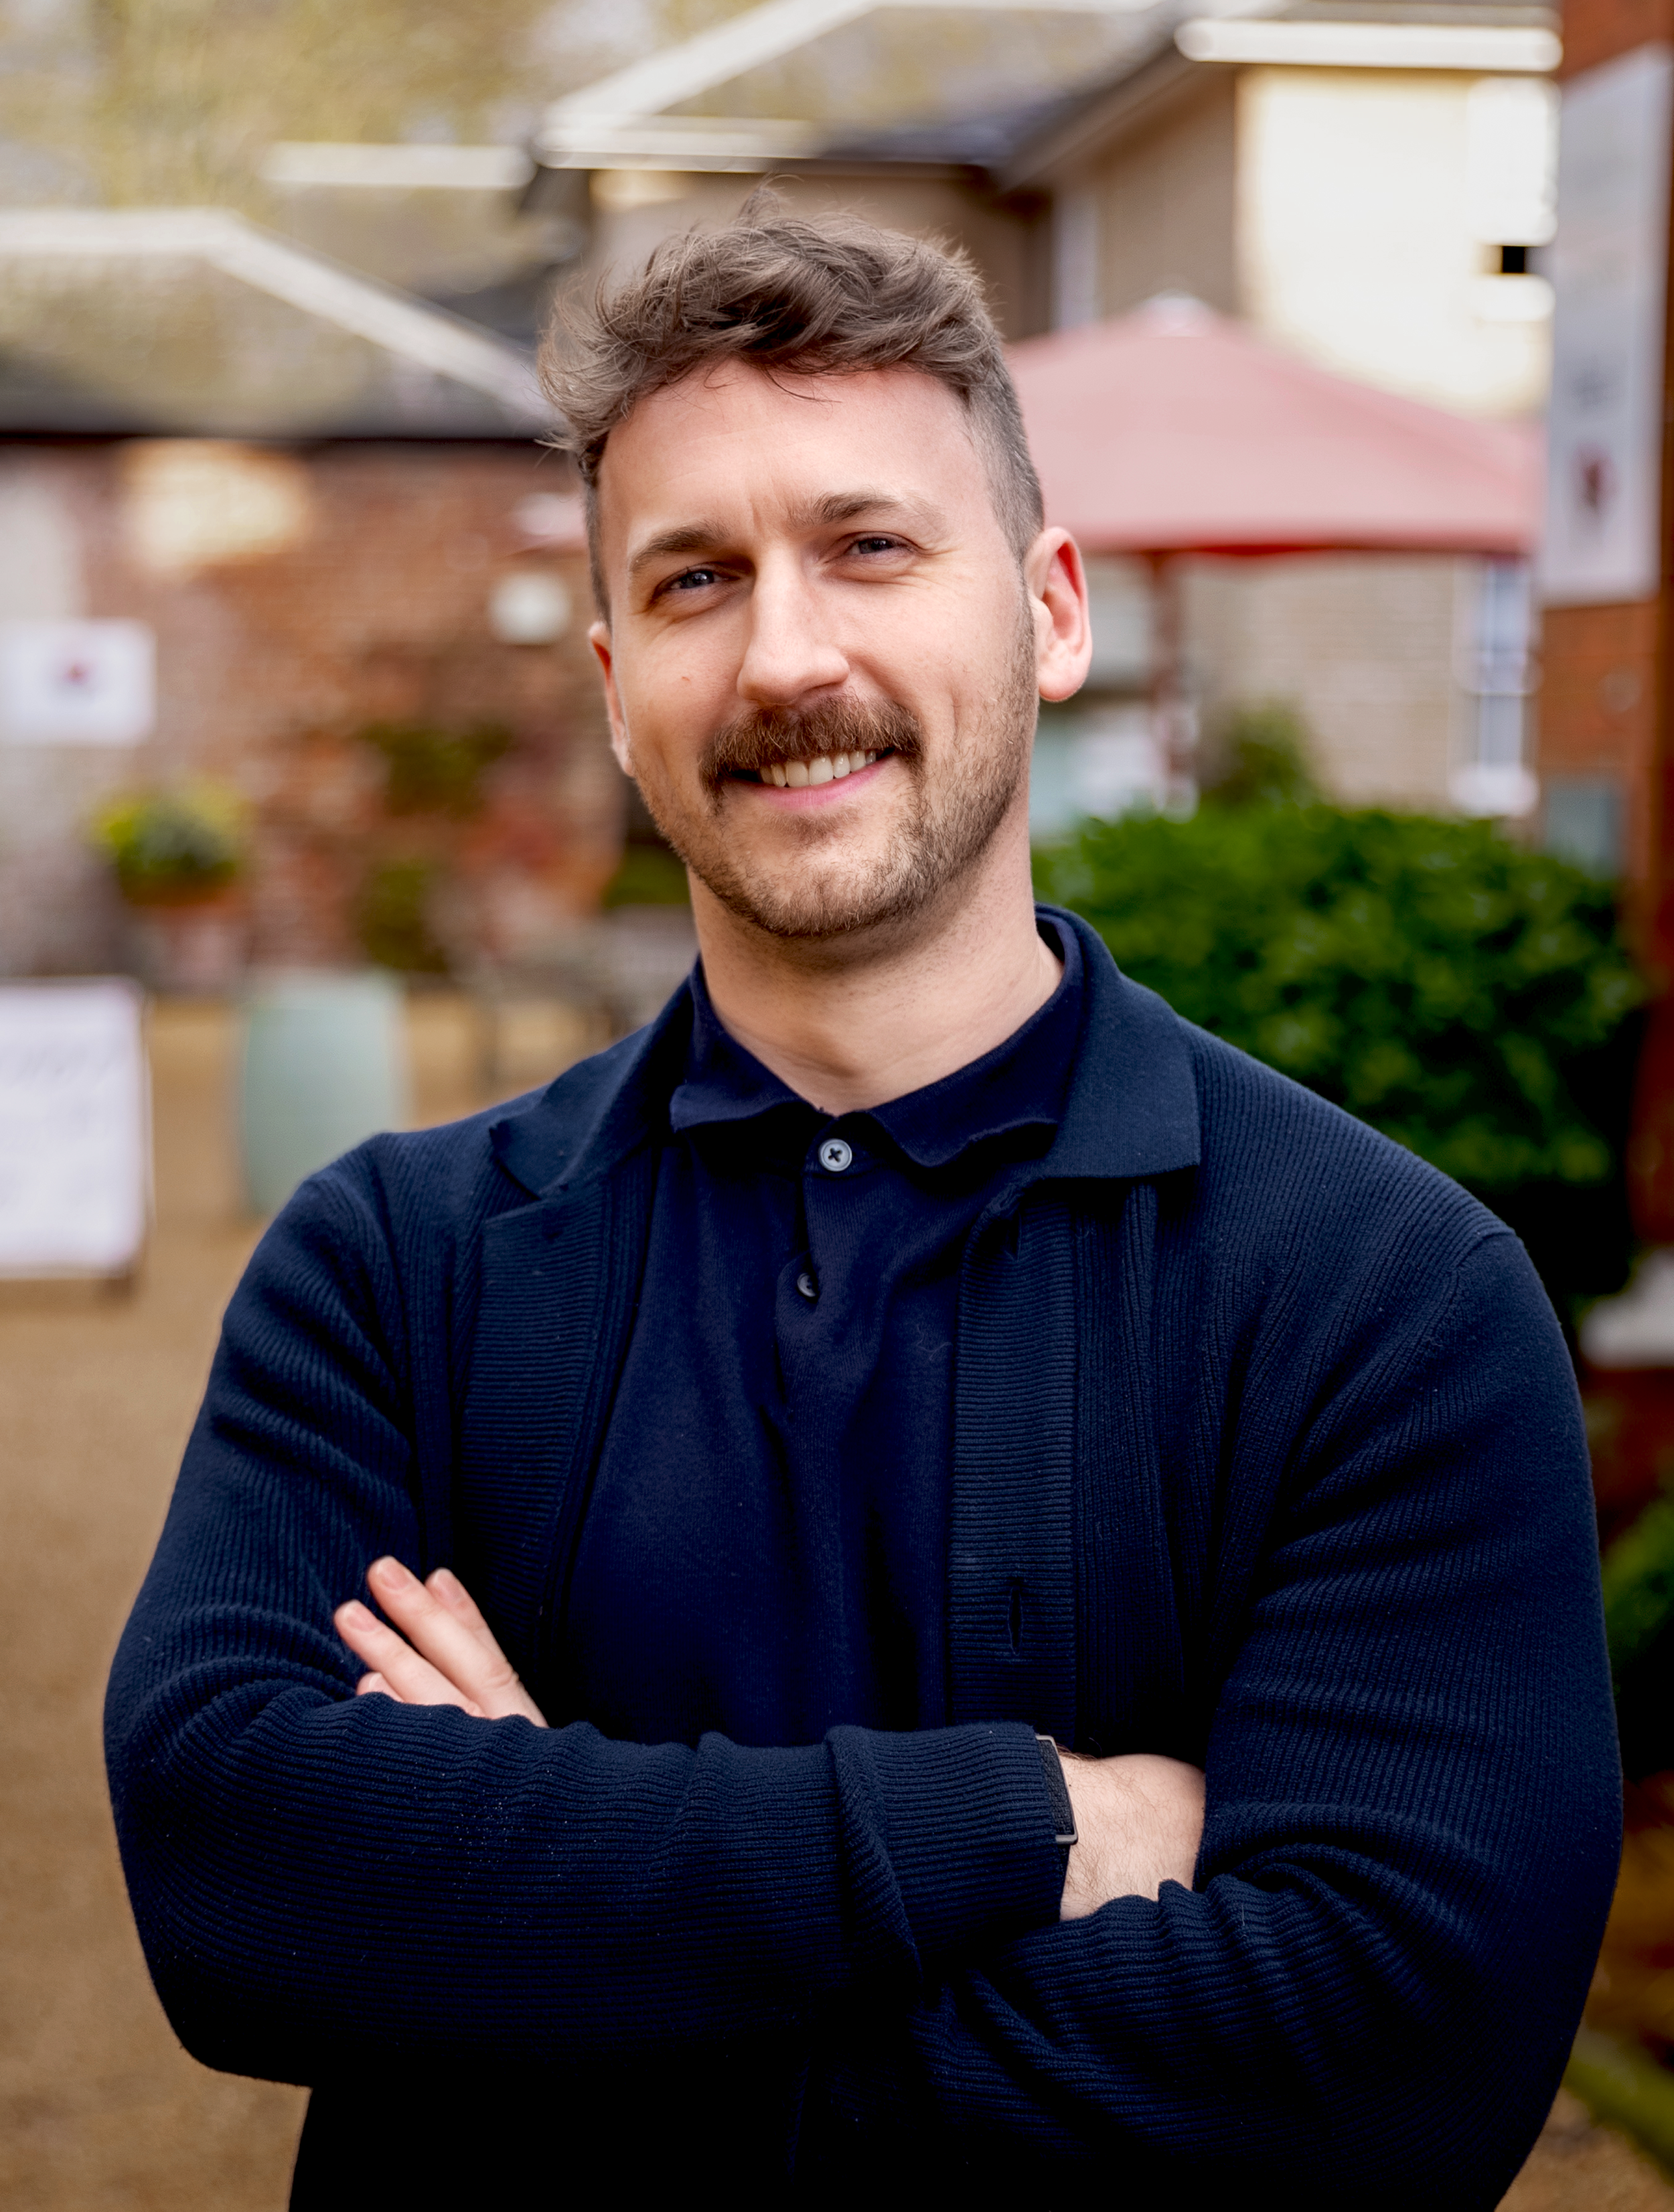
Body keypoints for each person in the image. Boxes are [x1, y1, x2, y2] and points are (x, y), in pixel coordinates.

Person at [106, 209, 1619, 2205]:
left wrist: (524, 1993)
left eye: (868, 545)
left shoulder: (1381, 1297)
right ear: (615, 675)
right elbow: (238, 1876)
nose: (786, 653)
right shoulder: (394, 1271)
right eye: (695, 579)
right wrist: (1023, 1827)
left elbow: (1391, 2063)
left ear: (1050, 608)